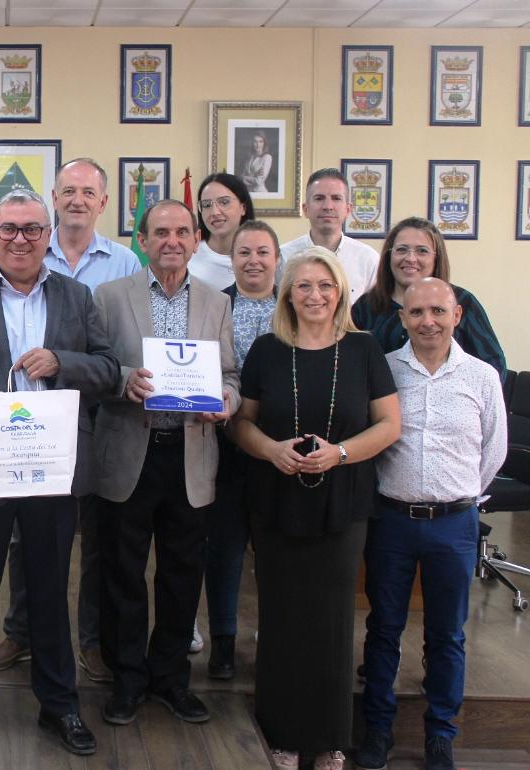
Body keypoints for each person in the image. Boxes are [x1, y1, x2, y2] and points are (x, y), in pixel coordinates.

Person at [0, 189, 120, 759]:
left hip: (51, 472)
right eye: (8, 228)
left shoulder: (76, 296)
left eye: (32, 229)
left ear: (48, 234)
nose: (19, 238)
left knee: (46, 593)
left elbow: (110, 370)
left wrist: (64, 362)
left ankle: (59, 706)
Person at [230, 247, 401, 770]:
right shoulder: (265, 350)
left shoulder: (365, 350)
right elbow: (241, 425)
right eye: (302, 286)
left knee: (331, 621)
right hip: (277, 500)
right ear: (287, 295)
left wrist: (341, 453)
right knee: (281, 618)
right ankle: (280, 734)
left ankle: (329, 740)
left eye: (325, 285)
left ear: (341, 292)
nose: (314, 295)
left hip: (342, 502)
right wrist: (272, 450)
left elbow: (389, 425)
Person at [91, 199, 240, 728]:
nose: (172, 241)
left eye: (182, 231)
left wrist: (227, 400)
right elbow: (97, 369)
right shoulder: (109, 297)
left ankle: (172, 680)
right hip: (129, 450)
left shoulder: (217, 303)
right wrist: (123, 377)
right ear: (144, 239)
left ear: (195, 239)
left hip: (191, 454)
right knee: (122, 575)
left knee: (182, 575)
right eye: (161, 232)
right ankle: (127, 681)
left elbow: (230, 374)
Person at [0, 156, 139, 682]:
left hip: (103, 421)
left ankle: (92, 641)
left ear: (103, 203)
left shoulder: (125, 264)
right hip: (29, 426)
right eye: (68, 191)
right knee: (23, 536)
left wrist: (71, 366)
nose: (77, 200)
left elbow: (116, 353)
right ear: (54, 200)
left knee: (96, 539)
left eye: (88, 193)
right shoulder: (25, 247)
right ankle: (20, 631)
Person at [355, 278, 506, 770]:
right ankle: (377, 729)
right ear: (402, 318)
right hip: (392, 521)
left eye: (438, 311)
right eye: (417, 312)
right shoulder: (385, 369)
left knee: (447, 635)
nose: (428, 322)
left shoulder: (481, 376)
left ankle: (441, 733)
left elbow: (493, 451)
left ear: (457, 315)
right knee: (383, 628)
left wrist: (457, 495)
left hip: (454, 523)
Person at [204, 220, 280, 681]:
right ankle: (224, 641)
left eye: (262, 252)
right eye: (244, 253)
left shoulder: (294, 305)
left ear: (276, 258)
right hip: (225, 441)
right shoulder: (216, 305)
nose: (253, 261)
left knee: (274, 549)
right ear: (231, 260)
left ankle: (275, 636)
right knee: (225, 548)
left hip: (281, 449)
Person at [351, 216, 506, 378]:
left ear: (436, 258)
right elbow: (348, 364)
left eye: (422, 251)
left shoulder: (463, 301)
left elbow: (494, 364)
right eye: (402, 249)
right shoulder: (365, 307)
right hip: (380, 402)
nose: (410, 258)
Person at [281, 168, 378, 306]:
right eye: (319, 198)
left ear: (348, 209)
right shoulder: (284, 256)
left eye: (336, 198)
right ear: (305, 209)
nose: (328, 206)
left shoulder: (368, 260)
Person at [190, 172, 256, 293]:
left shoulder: (261, 254)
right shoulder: (189, 254)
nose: (214, 212)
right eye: (206, 205)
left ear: (243, 208)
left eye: (224, 202)